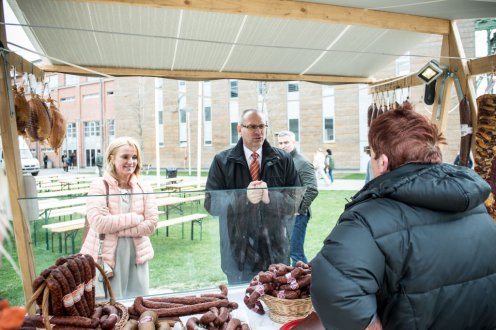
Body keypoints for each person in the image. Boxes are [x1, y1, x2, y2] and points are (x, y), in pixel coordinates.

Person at [310, 106, 496, 330]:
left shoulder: (366, 220)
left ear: (383, 162)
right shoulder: (476, 207)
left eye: (373, 156)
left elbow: (335, 291)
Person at [204, 109, 300, 284]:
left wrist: (270, 197)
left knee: (276, 307)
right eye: (252, 126)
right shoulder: (222, 161)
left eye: (262, 126)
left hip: (275, 251)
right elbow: (211, 204)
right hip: (238, 254)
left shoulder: (283, 159)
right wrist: (243, 197)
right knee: (242, 306)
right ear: (239, 129)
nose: (259, 131)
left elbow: (296, 202)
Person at [80, 136, 158, 299]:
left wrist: (115, 227)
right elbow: (99, 223)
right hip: (109, 259)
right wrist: (136, 218)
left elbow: (150, 225)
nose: (131, 161)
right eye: (125, 156)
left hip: (137, 258)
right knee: (112, 308)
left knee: (138, 304)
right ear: (112, 158)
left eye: (134, 157)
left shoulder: (145, 187)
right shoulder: (99, 185)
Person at [277, 131, 318, 266]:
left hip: (298, 215)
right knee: (284, 252)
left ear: (294, 143)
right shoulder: (280, 161)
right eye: (280, 143)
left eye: (286, 142)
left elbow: (312, 189)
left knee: (296, 253)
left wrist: (298, 209)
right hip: (282, 214)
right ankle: (289, 284)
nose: (283, 146)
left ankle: (305, 284)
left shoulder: (303, 162)